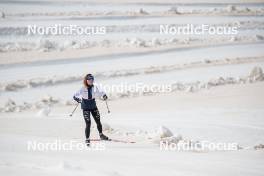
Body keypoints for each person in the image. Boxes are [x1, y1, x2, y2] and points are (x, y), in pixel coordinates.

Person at [73, 73, 109, 146]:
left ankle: (101, 135)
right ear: (86, 80)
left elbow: (101, 93)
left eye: (92, 79)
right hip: (85, 108)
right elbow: (75, 95)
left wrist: (104, 95)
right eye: (89, 79)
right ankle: (87, 139)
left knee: (98, 121)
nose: (91, 81)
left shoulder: (95, 88)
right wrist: (77, 99)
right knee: (88, 123)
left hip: (93, 106)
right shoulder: (82, 88)